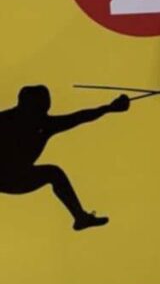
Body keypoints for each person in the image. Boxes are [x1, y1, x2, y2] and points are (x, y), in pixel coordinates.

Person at [0, 86, 129, 230]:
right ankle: (81, 217)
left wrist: (109, 108)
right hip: (5, 176)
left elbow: (78, 117)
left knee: (54, 173)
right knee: (53, 173)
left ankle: (80, 217)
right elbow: (78, 118)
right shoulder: (6, 120)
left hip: (18, 177)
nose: (45, 109)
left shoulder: (44, 124)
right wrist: (109, 108)